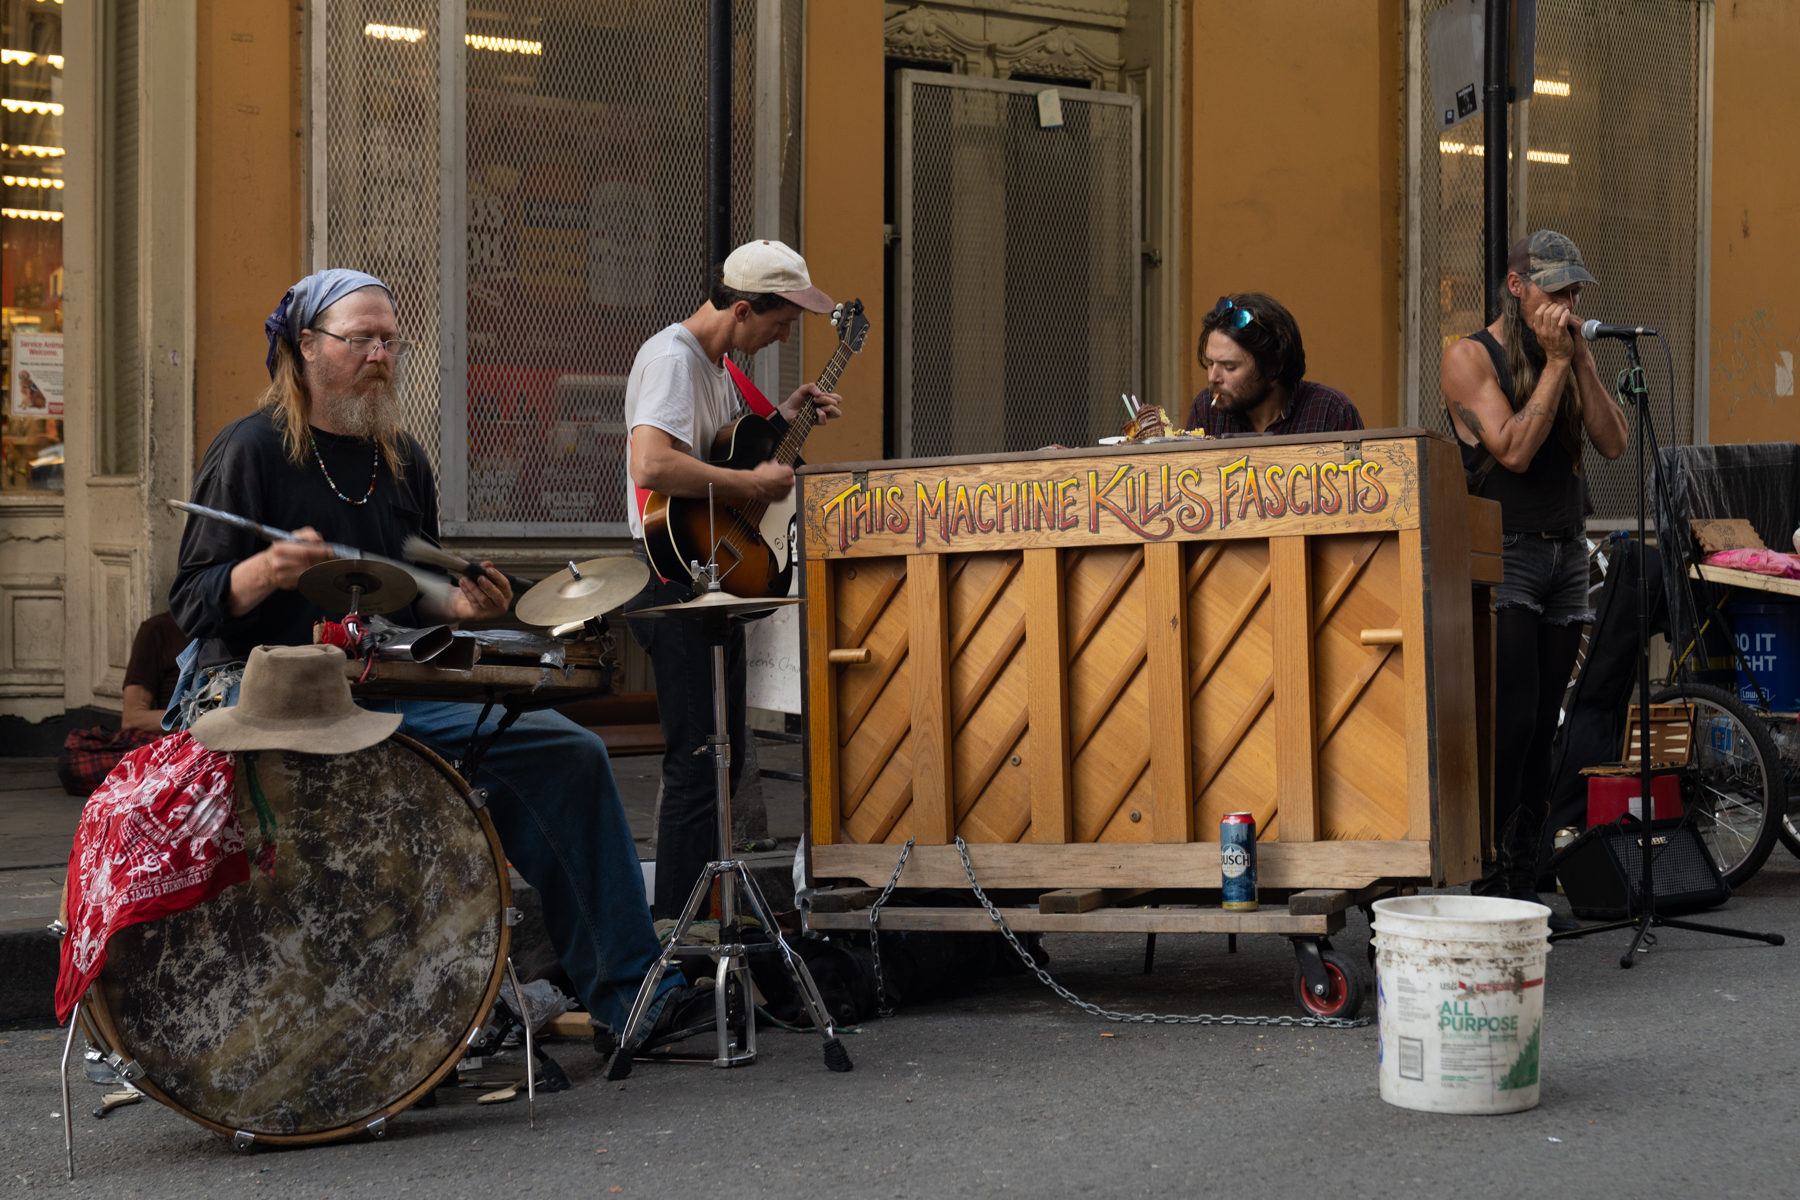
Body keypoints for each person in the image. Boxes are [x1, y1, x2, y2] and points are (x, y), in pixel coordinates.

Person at [167, 268, 705, 1054]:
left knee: (569, 752)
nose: (381, 354)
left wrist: (462, 608)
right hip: (260, 696)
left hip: (378, 687)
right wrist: (265, 571)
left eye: (390, 340)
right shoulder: (250, 451)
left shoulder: (399, 456)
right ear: (306, 347)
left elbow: (410, 592)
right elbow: (191, 599)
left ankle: (631, 997)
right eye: (362, 340)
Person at [623, 240, 842, 920]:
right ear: (742, 308)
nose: (783, 335)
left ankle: (704, 918)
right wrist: (752, 481)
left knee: (719, 758)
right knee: (696, 764)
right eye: (778, 323)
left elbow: (715, 452)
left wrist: (779, 418)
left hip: (707, 574)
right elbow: (653, 464)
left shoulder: (714, 366)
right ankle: (678, 930)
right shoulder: (671, 359)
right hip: (675, 578)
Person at [1440, 231, 1629, 915]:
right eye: (1556, 291)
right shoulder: (1469, 357)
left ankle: (1525, 870)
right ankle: (1489, 869)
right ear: (1518, 288)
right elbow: (1513, 451)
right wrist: (1553, 363)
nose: (1568, 304)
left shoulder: (1566, 352)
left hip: (1566, 549)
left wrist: (1578, 362)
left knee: (1547, 715)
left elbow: (1613, 442)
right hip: (1506, 550)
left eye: (1575, 291)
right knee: (1511, 719)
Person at [1183, 293, 1364, 436]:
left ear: (1274, 365)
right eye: (1210, 363)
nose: (1212, 377)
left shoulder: (1331, 413)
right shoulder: (1206, 410)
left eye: (1229, 367)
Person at [122, 611, 187, 732]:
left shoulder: (230, 631)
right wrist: (197, 721)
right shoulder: (158, 629)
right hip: (187, 741)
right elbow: (132, 719)